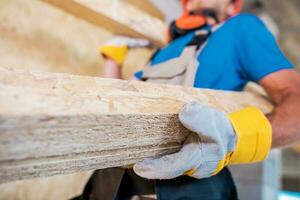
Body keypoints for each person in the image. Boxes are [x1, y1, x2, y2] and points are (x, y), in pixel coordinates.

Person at [77, 0, 300, 199]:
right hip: (110, 181)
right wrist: (112, 59)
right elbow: (119, 108)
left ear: (232, 6)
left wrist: (234, 138)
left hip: (186, 188)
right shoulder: (163, 51)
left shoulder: (240, 29)